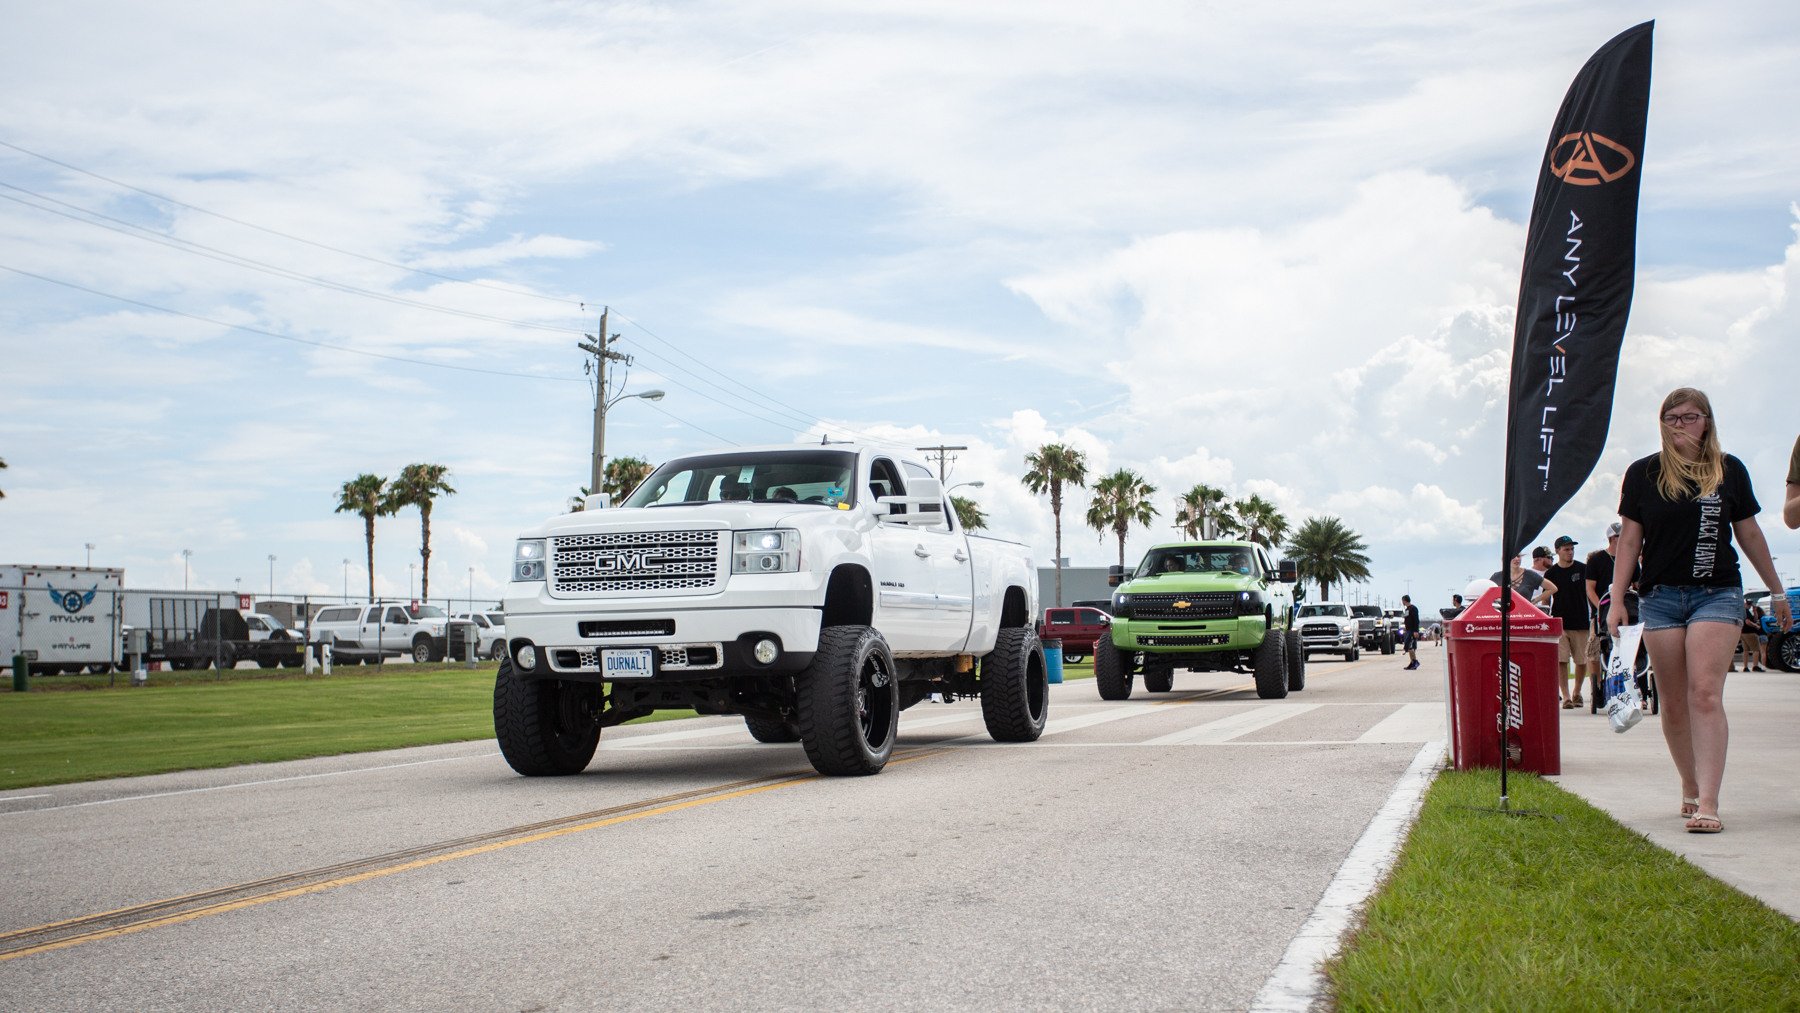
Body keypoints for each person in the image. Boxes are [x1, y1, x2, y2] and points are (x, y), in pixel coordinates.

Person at [1608, 388, 1792, 835]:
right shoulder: (1643, 473)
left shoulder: (1728, 470)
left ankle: (1709, 802)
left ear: (1707, 421)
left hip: (1718, 594)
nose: (1679, 425)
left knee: (1705, 694)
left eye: (1689, 417)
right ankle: (1689, 786)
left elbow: (1748, 533)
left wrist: (1777, 590)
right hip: (1661, 597)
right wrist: (1615, 600)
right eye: (1670, 418)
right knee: (1671, 704)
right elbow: (1631, 540)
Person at [1545, 536, 1590, 709]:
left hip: (1580, 620)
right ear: (1557, 551)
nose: (1570, 552)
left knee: (1581, 659)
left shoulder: (1583, 569)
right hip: (1559, 621)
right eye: (1566, 549)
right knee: (1561, 660)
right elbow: (1546, 599)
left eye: (1572, 549)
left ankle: (1577, 692)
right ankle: (1565, 696)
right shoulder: (1551, 573)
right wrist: (1546, 618)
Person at [1732, 601, 1766, 673]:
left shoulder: (1744, 612)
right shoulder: (1746, 612)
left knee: (1746, 650)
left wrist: (1755, 611)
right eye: (1748, 604)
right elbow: (1748, 622)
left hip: (1743, 632)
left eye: (1750, 604)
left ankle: (1745, 666)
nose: (1749, 606)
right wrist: (1756, 626)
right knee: (1756, 650)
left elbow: (1755, 619)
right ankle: (1755, 665)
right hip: (1750, 632)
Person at [1401, 595, 1421, 669]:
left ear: (1404, 600)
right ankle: (1412, 661)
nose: (1402, 602)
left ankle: (1414, 661)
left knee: (1410, 646)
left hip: (1412, 630)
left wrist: (1416, 631)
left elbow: (1416, 620)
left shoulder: (1413, 609)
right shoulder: (1407, 609)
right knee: (1409, 646)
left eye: (1402, 601)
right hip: (1408, 630)